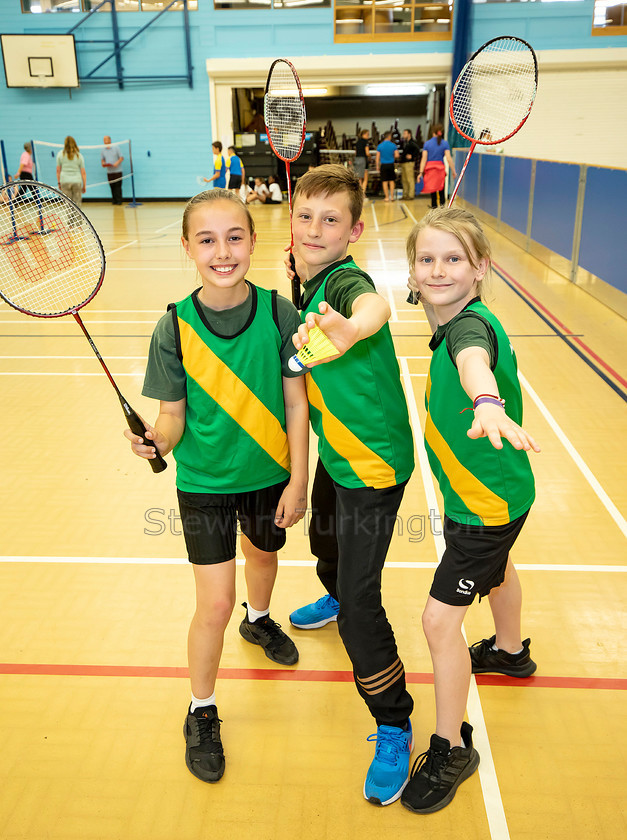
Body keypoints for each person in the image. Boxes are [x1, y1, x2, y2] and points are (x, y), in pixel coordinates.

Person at [124, 188, 309, 785]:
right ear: (187, 248)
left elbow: (296, 401)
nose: (222, 251)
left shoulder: (279, 314)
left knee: (263, 557)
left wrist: (298, 477)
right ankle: (201, 708)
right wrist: (158, 439)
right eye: (207, 240)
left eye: (234, 237)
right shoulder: (174, 326)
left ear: (254, 242)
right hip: (203, 483)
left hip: (270, 475)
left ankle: (261, 619)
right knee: (214, 604)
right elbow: (173, 416)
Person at [400, 206, 540, 815]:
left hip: (484, 508)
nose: (438, 270)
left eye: (453, 259)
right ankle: (510, 652)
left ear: (482, 268)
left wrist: (486, 401)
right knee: (501, 568)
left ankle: (450, 745)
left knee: (438, 624)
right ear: (411, 269)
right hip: (502, 497)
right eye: (426, 259)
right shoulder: (451, 316)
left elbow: (472, 360)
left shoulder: (467, 330)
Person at [286, 164, 416, 807]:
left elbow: (374, 303)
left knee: (364, 604)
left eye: (331, 219)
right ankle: (333, 594)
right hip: (337, 452)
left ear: (354, 230)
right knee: (324, 543)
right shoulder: (301, 275)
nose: (315, 229)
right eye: (305, 215)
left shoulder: (344, 281)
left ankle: (393, 721)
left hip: (373, 462)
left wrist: (354, 327)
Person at [417, 124, 457, 209]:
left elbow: (424, 159)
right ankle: (442, 208)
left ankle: (434, 207)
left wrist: (420, 172)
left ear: (432, 132)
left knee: (433, 190)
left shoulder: (427, 144)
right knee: (441, 188)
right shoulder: (444, 143)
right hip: (440, 169)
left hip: (430, 169)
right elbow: (449, 158)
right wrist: (453, 171)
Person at [56, 136, 86, 212]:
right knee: (77, 204)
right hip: (77, 181)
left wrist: (59, 182)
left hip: (65, 181)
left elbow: (58, 171)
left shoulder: (60, 154)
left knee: (68, 204)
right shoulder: (79, 155)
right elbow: (83, 172)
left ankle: (70, 223)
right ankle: (78, 223)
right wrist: (84, 185)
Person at [100, 135, 124, 205]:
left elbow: (121, 157)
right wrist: (103, 163)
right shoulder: (103, 150)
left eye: (106, 139)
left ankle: (119, 200)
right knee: (112, 186)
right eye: (104, 140)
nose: (105, 141)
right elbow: (102, 159)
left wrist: (116, 163)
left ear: (110, 140)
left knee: (118, 186)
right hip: (109, 172)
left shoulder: (116, 147)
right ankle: (114, 200)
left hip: (117, 171)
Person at [375, 131, 398, 202]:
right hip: (391, 165)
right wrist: (392, 157)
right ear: (389, 137)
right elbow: (397, 155)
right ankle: (392, 197)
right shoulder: (393, 145)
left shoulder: (380, 146)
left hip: (383, 165)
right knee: (391, 181)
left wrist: (377, 166)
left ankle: (387, 197)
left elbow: (377, 158)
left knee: (384, 181)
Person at [399, 129, 420, 201]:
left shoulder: (412, 143)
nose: (403, 135)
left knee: (410, 179)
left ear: (409, 134)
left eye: (405, 133)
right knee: (404, 180)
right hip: (404, 162)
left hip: (409, 163)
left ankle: (411, 195)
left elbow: (418, 150)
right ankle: (405, 194)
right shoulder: (405, 143)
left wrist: (412, 155)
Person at [354, 129, 371, 195]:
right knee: (365, 178)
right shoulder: (366, 142)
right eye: (368, 134)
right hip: (363, 160)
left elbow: (356, 152)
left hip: (357, 159)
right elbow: (367, 153)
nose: (368, 136)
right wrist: (370, 156)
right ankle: (363, 193)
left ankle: (359, 193)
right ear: (364, 134)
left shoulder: (358, 142)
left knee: (359, 178)